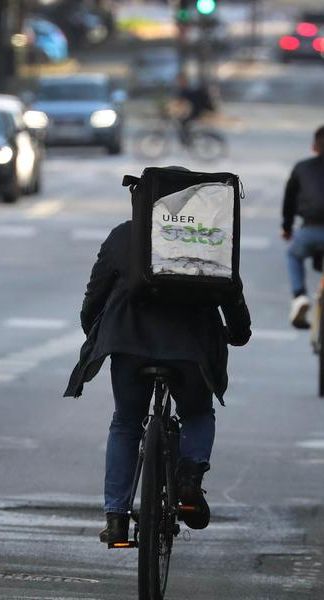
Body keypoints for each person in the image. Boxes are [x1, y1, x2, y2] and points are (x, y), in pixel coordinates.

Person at [64, 197, 252, 545]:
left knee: (126, 422)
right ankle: (190, 480)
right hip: (190, 349)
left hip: (128, 343)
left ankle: (117, 519)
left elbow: (95, 294)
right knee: (196, 413)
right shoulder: (207, 236)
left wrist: (94, 329)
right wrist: (239, 333)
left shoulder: (125, 235)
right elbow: (231, 291)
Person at [282, 125, 324, 329]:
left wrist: (287, 228)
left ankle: (299, 296)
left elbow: (288, 201)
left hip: (310, 230)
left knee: (293, 255)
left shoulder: (302, 167)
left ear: (314, 147)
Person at [172, 74, 215, 142]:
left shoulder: (185, 90)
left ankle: (187, 139)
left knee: (183, 122)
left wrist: (171, 110)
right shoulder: (187, 89)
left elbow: (179, 103)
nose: (178, 83)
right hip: (196, 110)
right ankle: (187, 137)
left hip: (197, 111)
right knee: (183, 122)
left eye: (179, 81)